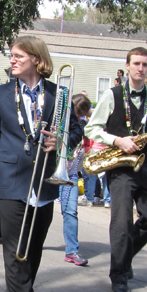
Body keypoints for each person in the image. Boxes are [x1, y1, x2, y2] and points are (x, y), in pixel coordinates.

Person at [0, 35, 72, 292]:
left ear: (36, 58)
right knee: (15, 252)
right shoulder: (0, 94)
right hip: (10, 181)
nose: (12, 60)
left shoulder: (58, 94)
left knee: (33, 250)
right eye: (11, 55)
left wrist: (59, 141)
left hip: (44, 182)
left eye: (18, 55)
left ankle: (15, 289)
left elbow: (75, 131)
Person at [84, 47, 147, 292]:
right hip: (120, 166)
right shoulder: (112, 95)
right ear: (127, 66)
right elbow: (92, 128)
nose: (141, 68)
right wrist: (117, 140)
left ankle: (124, 255)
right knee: (121, 223)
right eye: (137, 64)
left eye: (145, 64)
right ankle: (119, 275)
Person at [59, 94, 92, 266]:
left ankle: (72, 250)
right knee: (37, 209)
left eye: (81, 116)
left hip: (70, 175)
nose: (78, 119)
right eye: (77, 114)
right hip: (51, 171)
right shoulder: (60, 123)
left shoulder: (82, 127)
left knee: (71, 212)